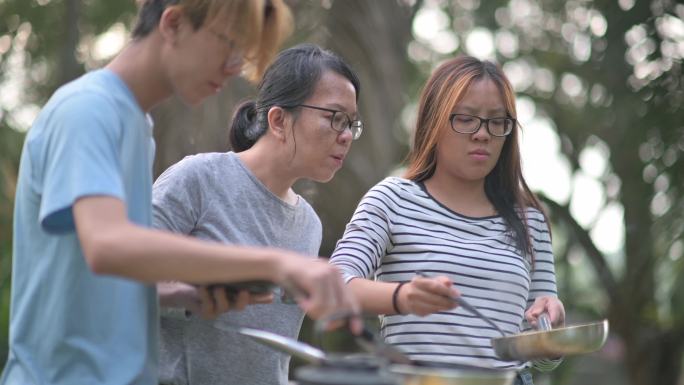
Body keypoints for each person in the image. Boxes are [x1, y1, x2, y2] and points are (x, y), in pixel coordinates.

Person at [2, 2, 359, 385]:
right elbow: (106, 246)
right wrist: (274, 264)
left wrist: (185, 295)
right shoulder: (88, 110)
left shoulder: (136, 127)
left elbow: (103, 276)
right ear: (173, 23)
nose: (235, 66)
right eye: (229, 44)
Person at [329, 56, 564, 385]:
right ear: (433, 123)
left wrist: (548, 329)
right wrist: (402, 297)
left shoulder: (530, 220)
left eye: (497, 122)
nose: (482, 134)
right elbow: (334, 284)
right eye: (466, 119)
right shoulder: (393, 199)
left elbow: (540, 358)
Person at [153, 43, 363, 385]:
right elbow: (120, 283)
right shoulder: (197, 179)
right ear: (278, 120)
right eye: (334, 117)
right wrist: (192, 293)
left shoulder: (309, 223)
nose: (345, 136)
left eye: (352, 123)